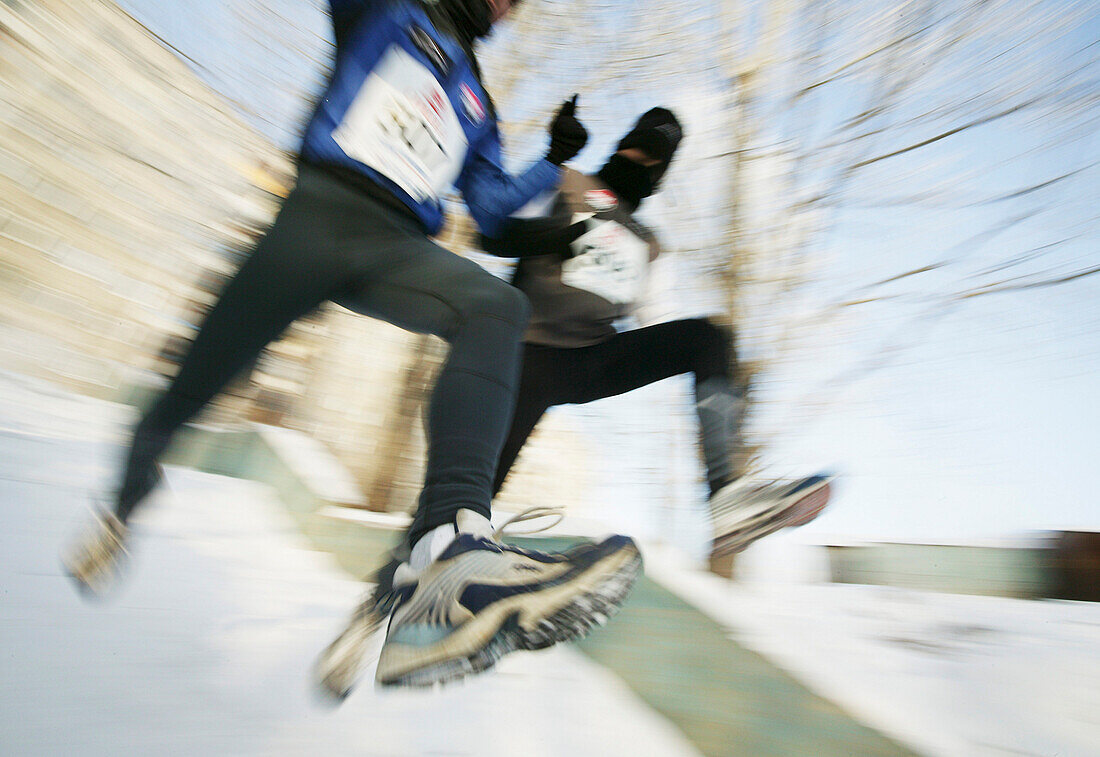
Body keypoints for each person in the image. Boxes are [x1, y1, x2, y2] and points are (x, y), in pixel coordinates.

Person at [64, 0, 642, 691]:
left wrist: (552, 163)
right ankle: (125, 500)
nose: (509, 3)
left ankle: (449, 546)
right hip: (312, 219)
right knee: (187, 392)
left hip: (395, 249)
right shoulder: (388, 10)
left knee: (496, 304)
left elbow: (489, 209)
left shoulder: (477, 103)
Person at [480, 106, 834, 560]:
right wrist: (550, 235)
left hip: (589, 362)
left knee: (707, 339)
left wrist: (722, 381)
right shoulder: (566, 184)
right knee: (477, 489)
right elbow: (491, 233)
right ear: (621, 143)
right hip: (524, 357)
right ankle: (434, 554)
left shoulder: (650, 244)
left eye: (655, 163)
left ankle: (724, 494)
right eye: (638, 150)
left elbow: (657, 325)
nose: (642, 165)